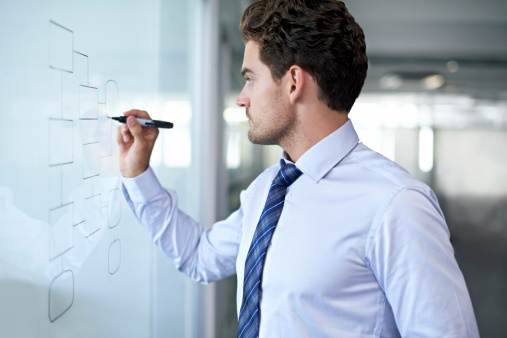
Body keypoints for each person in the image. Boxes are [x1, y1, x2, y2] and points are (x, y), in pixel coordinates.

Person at [117, 0, 479, 336]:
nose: (241, 97)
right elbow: (200, 256)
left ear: (293, 82)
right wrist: (138, 172)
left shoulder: (397, 204)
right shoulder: (266, 189)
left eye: (250, 78)